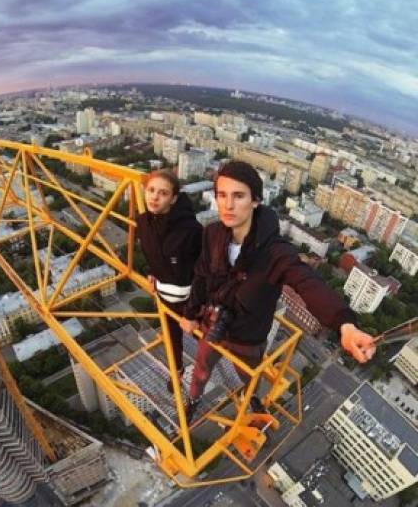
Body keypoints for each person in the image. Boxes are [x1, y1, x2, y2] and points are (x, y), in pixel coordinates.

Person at [180, 161, 375, 421]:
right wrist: (191, 313)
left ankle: (251, 399)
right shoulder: (213, 234)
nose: (227, 205)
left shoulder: (275, 252)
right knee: (201, 368)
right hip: (213, 325)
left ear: (256, 201)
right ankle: (193, 398)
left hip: (248, 337)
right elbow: (202, 275)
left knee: (249, 375)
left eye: (238, 196)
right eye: (222, 195)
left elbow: (308, 282)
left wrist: (345, 324)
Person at [136, 170, 202, 392]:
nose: (154, 197)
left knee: (209, 341)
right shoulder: (143, 222)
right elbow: (149, 252)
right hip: (165, 297)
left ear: (174, 199)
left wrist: (192, 313)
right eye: (151, 190)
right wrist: (150, 270)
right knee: (172, 340)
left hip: (192, 301)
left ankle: (202, 378)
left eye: (163, 193)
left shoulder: (190, 230)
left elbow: (204, 270)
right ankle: (178, 372)